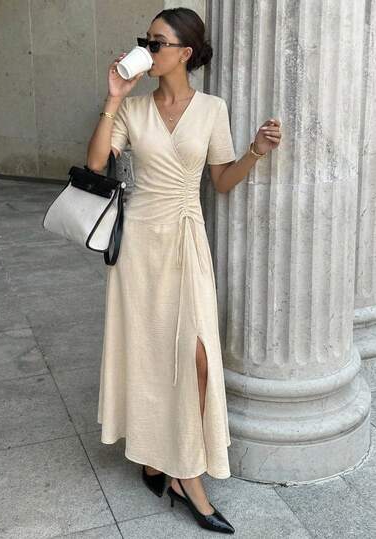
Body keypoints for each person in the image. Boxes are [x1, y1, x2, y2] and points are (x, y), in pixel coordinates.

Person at [87, 7, 281, 534]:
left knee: (197, 356)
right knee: (147, 351)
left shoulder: (213, 109)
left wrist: (255, 152)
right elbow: (98, 163)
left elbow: (220, 182)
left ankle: (181, 468)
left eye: (157, 42)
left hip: (186, 239)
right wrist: (113, 97)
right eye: (146, 40)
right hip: (138, 247)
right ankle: (170, 469)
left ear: (184, 53)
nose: (147, 50)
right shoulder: (133, 108)